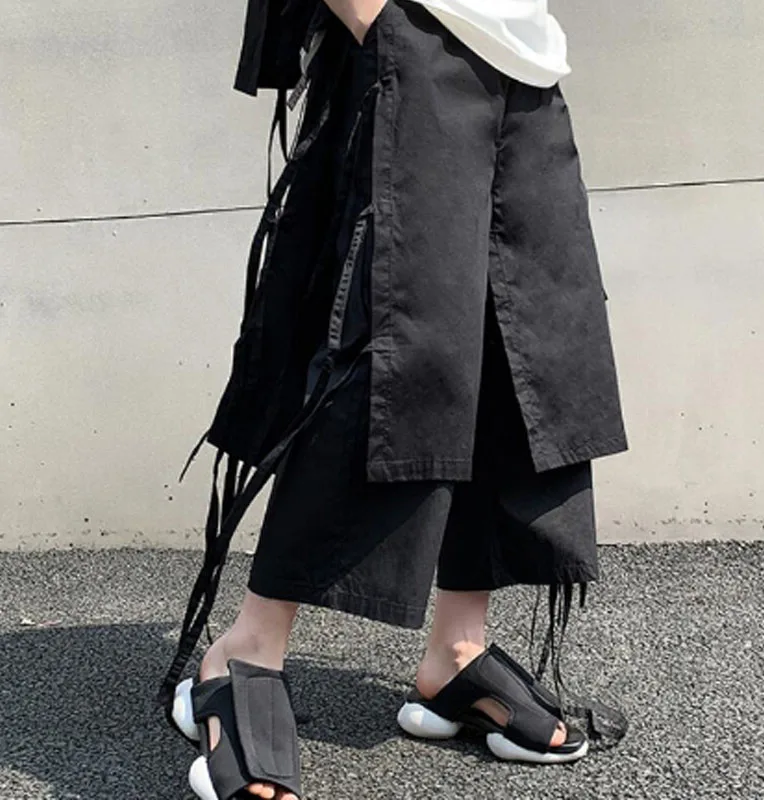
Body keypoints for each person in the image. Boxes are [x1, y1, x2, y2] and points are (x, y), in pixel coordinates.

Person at [158, 1, 629, 798]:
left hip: (524, 54)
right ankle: (244, 652)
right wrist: (374, 19)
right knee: (395, 346)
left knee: (521, 343)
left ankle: (456, 653)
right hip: (410, 30)